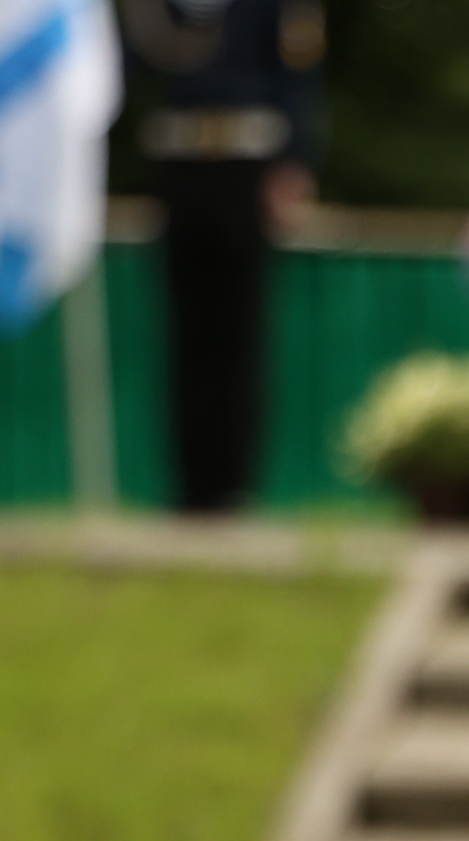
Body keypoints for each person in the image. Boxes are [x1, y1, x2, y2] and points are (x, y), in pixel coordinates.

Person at [121, 0, 323, 513]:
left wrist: (294, 161)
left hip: (247, 166)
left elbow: (298, 70)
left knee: (238, 332)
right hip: (180, 163)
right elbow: (129, 59)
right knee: (186, 333)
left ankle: (232, 485)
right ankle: (190, 486)